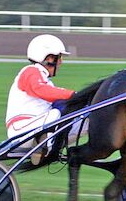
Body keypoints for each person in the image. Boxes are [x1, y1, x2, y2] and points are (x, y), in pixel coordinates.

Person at [5, 34, 75, 163]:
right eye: (59, 58)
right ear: (48, 58)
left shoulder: (47, 82)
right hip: (21, 130)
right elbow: (41, 90)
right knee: (55, 114)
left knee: (81, 122)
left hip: (37, 129)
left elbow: (57, 99)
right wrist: (72, 94)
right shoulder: (30, 71)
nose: (61, 62)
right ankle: (44, 149)